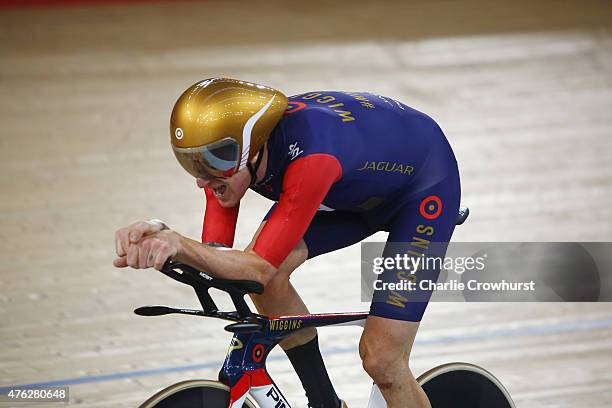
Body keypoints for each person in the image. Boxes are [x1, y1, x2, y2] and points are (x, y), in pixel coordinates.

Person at [114, 78, 461, 408]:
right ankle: (326, 402)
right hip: (351, 192)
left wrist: (178, 243)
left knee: (382, 360)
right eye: (192, 162)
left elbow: (256, 268)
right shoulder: (227, 163)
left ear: (251, 146)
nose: (202, 179)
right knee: (265, 277)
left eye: (212, 161)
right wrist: (159, 235)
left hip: (422, 192)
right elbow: (219, 257)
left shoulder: (310, 158)